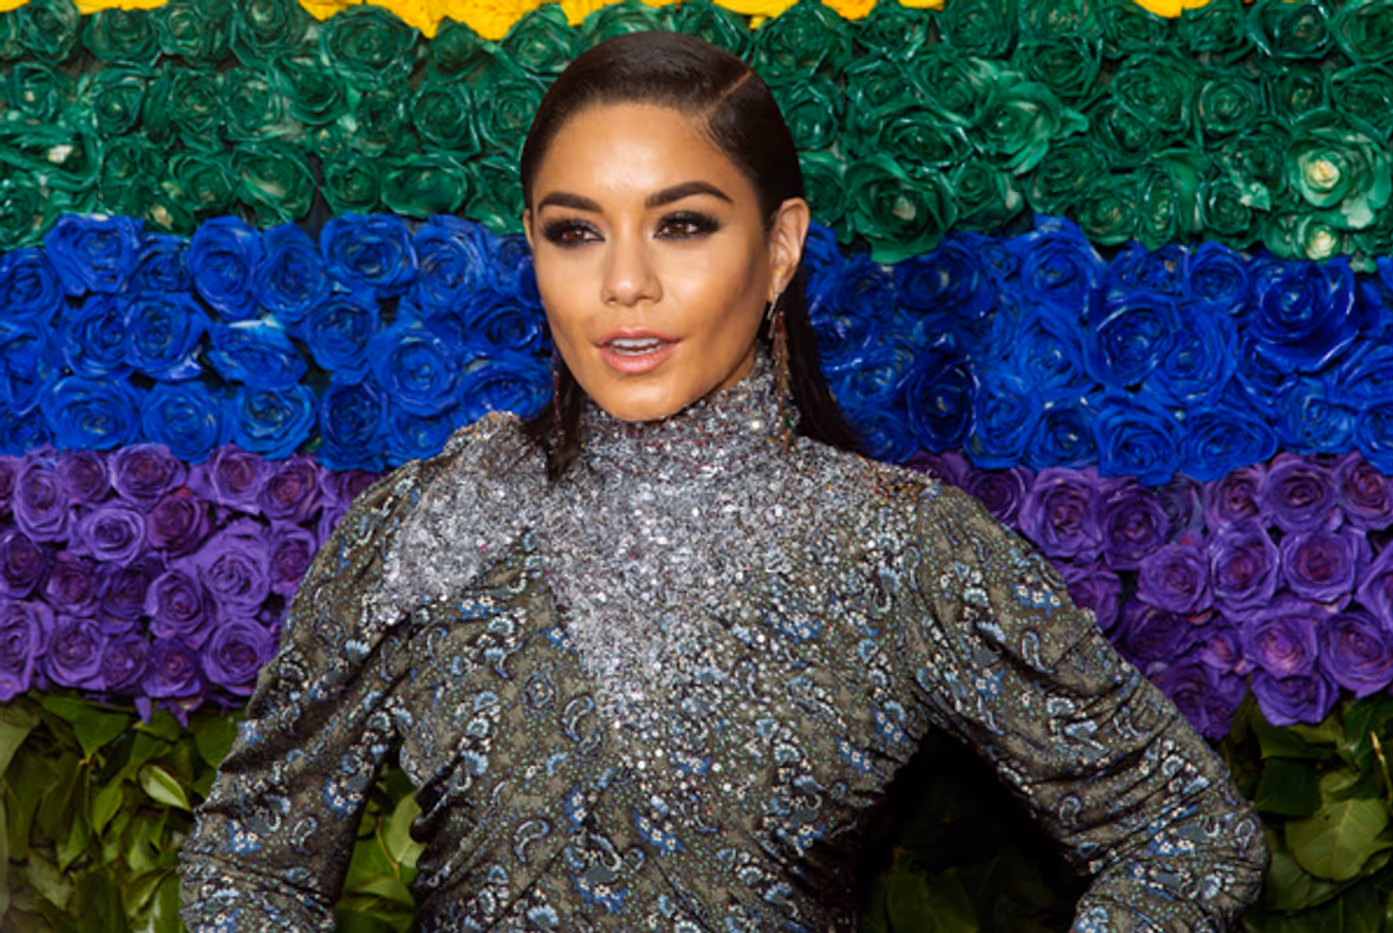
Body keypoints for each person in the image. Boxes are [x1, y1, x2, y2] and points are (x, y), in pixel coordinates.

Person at [178, 30, 1267, 932]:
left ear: (779, 247)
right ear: (532, 250)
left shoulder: (897, 549)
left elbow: (1185, 836)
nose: (623, 285)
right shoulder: (427, 525)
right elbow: (246, 866)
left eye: (683, 225)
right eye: (574, 233)